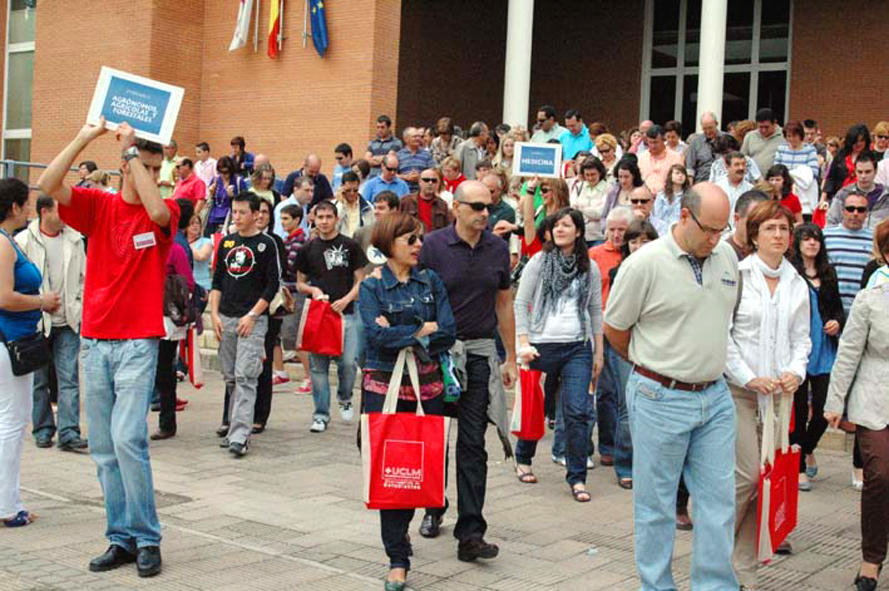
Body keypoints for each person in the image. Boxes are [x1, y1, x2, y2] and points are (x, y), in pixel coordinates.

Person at [38, 119, 182, 577]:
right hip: (96, 341)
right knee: (102, 445)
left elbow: (158, 214)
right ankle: (119, 537)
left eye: (157, 168)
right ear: (124, 169)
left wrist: (130, 152)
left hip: (138, 341)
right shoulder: (98, 205)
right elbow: (47, 184)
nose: (152, 175)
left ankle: (147, 538)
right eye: (146, 165)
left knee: (128, 439)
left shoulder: (166, 210)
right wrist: (85, 135)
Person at [604, 182, 740, 590]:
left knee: (719, 503)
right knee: (656, 506)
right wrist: (655, 366)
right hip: (659, 396)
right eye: (710, 229)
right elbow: (615, 329)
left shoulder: (727, 256)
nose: (716, 239)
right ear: (684, 216)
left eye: (723, 229)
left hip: (715, 396)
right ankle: (657, 585)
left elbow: (722, 319)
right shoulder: (645, 264)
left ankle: (714, 585)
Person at [417, 180, 516, 562]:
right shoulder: (433, 246)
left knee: (473, 443)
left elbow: (504, 304)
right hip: (438, 355)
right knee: (435, 437)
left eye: (488, 207)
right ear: (455, 207)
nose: (484, 214)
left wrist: (508, 356)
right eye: (476, 206)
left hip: (477, 355)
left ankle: (471, 532)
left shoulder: (497, 248)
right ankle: (433, 506)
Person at [357, 212, 456, 591]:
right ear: (387, 243)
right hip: (383, 389)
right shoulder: (372, 286)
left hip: (428, 390)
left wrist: (398, 330)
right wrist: (419, 329)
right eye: (409, 239)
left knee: (424, 468)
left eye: (420, 238)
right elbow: (373, 336)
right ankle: (398, 557)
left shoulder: (431, 281)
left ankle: (427, 518)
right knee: (393, 475)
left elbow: (446, 331)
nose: (418, 245)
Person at [725, 201, 810, 589]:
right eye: (770, 228)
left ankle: (744, 571)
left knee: (767, 481)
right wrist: (748, 376)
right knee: (744, 474)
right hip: (740, 393)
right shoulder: (737, 275)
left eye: (784, 228)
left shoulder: (797, 283)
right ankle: (715, 547)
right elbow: (723, 336)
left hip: (779, 399)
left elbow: (801, 338)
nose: (778, 235)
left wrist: (796, 370)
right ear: (754, 234)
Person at [513, 208, 603, 502]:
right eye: (556, 226)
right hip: (540, 345)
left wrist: (598, 351)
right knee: (534, 407)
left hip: (577, 346)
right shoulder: (540, 261)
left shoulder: (589, 267)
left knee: (578, 411)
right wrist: (523, 343)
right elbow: (521, 302)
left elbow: (595, 311)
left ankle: (577, 477)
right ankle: (523, 457)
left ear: (579, 231)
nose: (560, 230)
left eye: (567, 225)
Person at [0, 178, 60, 528]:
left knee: (8, 422)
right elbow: (4, 296)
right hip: (9, 342)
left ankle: (8, 500)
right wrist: (41, 301)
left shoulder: (9, 242)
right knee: (12, 423)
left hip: (13, 340)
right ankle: (8, 505)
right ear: (13, 207)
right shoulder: (4, 245)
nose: (29, 209)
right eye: (25, 203)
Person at [824, 279, 889, 591]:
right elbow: (848, 351)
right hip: (875, 398)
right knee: (879, 475)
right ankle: (872, 560)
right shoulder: (870, 300)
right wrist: (835, 400)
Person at [210, 192, 280, 457]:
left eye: (242, 212)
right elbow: (217, 281)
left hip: (252, 320)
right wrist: (214, 314)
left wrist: (252, 315)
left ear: (255, 214)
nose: (236, 217)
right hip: (225, 317)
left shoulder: (266, 244)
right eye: (234, 212)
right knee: (230, 377)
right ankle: (233, 428)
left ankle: (241, 434)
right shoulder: (227, 243)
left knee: (246, 376)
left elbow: (271, 285)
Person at [14, 196, 86, 451]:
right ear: (45, 211)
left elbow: (83, 278)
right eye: (60, 210)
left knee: (69, 378)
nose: (65, 215)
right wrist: (38, 302)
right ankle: (43, 430)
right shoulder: (23, 242)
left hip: (67, 321)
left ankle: (69, 433)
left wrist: (78, 304)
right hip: (37, 322)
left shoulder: (75, 239)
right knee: (39, 381)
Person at [295, 201, 367, 433]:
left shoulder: (351, 246)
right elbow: (299, 283)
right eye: (320, 217)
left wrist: (347, 299)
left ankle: (345, 397)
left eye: (329, 216)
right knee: (318, 369)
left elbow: (361, 280)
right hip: (321, 315)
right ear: (313, 219)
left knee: (348, 363)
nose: (324, 221)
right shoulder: (308, 249)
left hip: (347, 313)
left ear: (337, 218)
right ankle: (320, 415)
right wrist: (314, 291)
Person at [788, 223, 844, 491]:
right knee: (797, 413)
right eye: (807, 239)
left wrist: (836, 322)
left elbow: (838, 310)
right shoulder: (790, 272)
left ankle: (806, 448)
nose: (812, 243)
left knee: (823, 410)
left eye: (816, 239)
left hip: (824, 349)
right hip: (797, 349)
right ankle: (798, 468)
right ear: (798, 242)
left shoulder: (828, 273)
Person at [606, 218, 660, 489]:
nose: (639, 246)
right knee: (627, 407)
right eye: (634, 241)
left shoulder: (665, 271)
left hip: (656, 347)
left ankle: (649, 465)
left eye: (645, 241)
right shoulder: (621, 272)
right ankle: (625, 463)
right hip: (627, 346)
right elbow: (615, 319)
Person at [150, 210, 195, 442]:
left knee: (163, 371)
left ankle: (167, 423)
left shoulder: (175, 250)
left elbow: (188, 283)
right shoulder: (144, 245)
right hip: (143, 315)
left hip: (168, 319)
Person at [250, 198, 287, 433]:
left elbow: (277, 274)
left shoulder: (274, 242)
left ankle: (260, 415)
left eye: (265, 212)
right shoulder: (238, 240)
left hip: (268, 310)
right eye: (258, 211)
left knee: (263, 364)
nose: (261, 216)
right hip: (242, 309)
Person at [824, 192, 875, 314]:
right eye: (850, 209)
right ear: (843, 211)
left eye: (861, 210)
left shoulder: (875, 239)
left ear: (866, 213)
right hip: (832, 310)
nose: (855, 214)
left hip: (863, 310)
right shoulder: (826, 236)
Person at [826, 151, 889, 229]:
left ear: (875, 171)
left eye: (867, 172)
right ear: (855, 172)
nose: (863, 176)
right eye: (860, 172)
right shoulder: (843, 194)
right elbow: (831, 223)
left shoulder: (886, 196)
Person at [822, 124, 871, 204]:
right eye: (855, 141)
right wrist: (823, 199)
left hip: (862, 198)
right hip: (839, 197)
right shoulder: (841, 154)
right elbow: (831, 177)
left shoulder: (870, 157)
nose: (858, 144)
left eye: (861, 141)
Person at [570, 157, 610, 246]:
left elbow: (601, 213)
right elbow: (573, 209)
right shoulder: (578, 187)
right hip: (581, 236)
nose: (590, 178)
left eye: (593, 174)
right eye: (587, 175)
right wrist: (590, 212)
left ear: (600, 172)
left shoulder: (609, 188)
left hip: (599, 237)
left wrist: (581, 208)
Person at [205, 155, 248, 236]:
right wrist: (211, 193)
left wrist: (233, 196)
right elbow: (210, 200)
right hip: (213, 218)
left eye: (226, 172)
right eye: (220, 172)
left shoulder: (238, 181)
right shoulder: (216, 180)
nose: (223, 175)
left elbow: (245, 201)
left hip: (229, 219)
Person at [401, 168, 453, 233]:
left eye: (434, 181)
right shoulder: (406, 202)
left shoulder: (442, 205)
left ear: (438, 183)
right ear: (419, 182)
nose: (430, 183)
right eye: (426, 180)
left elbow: (448, 229)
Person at [638, 125, 684, 195]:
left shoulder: (676, 158)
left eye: (656, 142)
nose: (653, 146)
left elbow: (680, 182)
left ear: (663, 140)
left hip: (668, 198)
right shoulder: (641, 158)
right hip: (645, 199)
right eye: (650, 142)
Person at [685, 111, 730, 182]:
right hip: (702, 182)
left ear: (716, 124)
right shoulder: (695, 142)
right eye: (705, 129)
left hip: (723, 181)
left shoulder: (728, 139)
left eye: (710, 128)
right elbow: (690, 168)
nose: (708, 131)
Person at [725, 190, 770, 260]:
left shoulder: (771, 255)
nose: (758, 227)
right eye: (754, 221)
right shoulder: (723, 253)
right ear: (737, 219)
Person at [742, 108, 785, 175]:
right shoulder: (750, 136)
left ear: (775, 123)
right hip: (753, 179)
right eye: (760, 127)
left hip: (775, 179)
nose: (763, 130)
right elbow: (743, 157)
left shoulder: (784, 136)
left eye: (766, 127)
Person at [715, 151, 754, 221]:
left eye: (743, 164)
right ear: (727, 167)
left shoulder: (751, 190)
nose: (741, 168)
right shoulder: (718, 188)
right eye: (737, 165)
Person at [335, 171, 373, 238]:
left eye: (355, 190)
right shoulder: (335, 206)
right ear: (342, 187)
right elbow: (334, 227)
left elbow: (371, 229)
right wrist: (341, 203)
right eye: (348, 190)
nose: (352, 193)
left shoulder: (368, 207)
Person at [396, 127, 434, 193]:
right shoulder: (399, 155)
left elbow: (433, 172)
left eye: (419, 136)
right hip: (404, 192)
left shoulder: (426, 154)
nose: (418, 139)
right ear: (406, 139)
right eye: (414, 136)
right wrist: (406, 177)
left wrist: (420, 176)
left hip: (422, 193)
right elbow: (393, 175)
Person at [187, 213, 213, 292]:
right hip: (185, 286)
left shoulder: (206, 241)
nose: (195, 225)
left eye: (197, 223)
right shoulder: (178, 242)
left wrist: (184, 245)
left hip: (202, 285)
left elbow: (202, 256)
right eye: (192, 223)